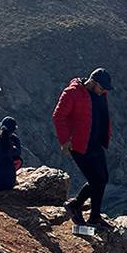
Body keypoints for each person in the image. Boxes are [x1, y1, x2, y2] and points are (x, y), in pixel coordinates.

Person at [52, 68, 114, 231]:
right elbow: (58, 116)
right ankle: (86, 212)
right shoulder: (72, 92)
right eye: (102, 88)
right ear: (93, 83)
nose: (104, 92)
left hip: (96, 143)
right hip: (79, 144)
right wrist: (65, 140)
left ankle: (84, 210)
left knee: (103, 178)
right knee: (97, 179)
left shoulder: (100, 93)